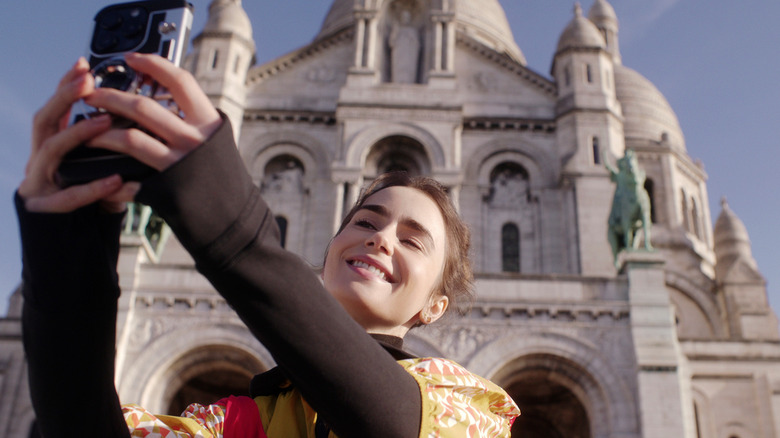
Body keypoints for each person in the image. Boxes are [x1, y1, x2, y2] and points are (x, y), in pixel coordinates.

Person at [17, 53, 519, 437]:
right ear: (327, 254)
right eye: (367, 220)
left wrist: (230, 226)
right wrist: (65, 251)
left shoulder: (472, 407)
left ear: (435, 306)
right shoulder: (240, 420)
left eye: (412, 240)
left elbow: (390, 420)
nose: (381, 238)